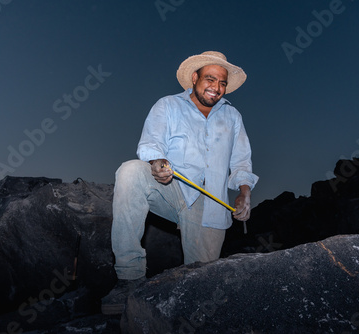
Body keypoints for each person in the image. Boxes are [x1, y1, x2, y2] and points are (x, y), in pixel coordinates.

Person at [101, 51, 259, 315]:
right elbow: (152, 143)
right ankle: (129, 278)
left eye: (222, 83)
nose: (216, 88)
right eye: (210, 79)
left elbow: (242, 160)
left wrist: (244, 192)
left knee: (200, 288)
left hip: (210, 206)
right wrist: (158, 163)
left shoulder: (233, 117)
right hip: (171, 187)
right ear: (194, 78)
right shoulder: (167, 105)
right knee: (129, 171)